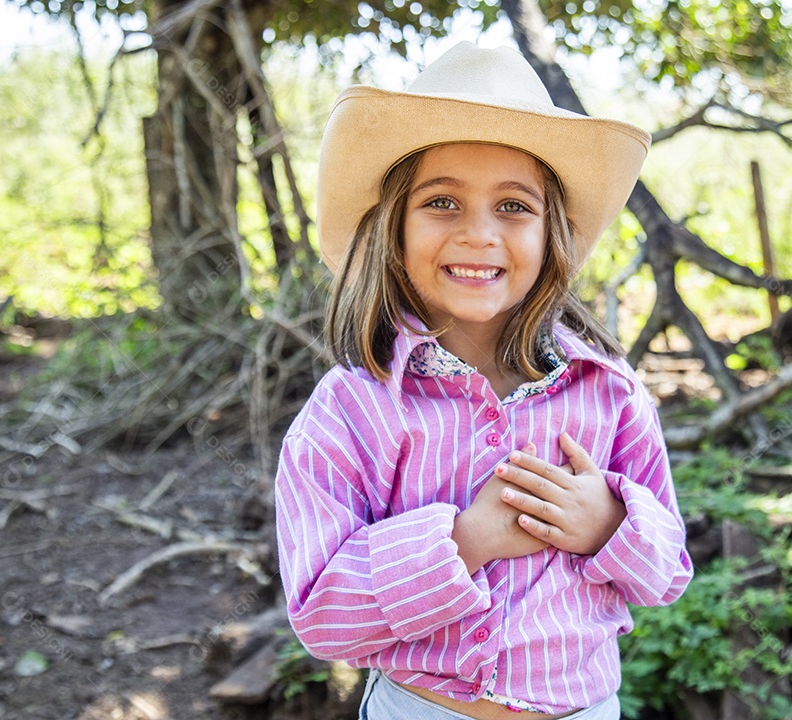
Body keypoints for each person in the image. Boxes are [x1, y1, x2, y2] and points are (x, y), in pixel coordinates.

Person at [275, 41, 693, 720]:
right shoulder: (352, 410)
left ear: (552, 233)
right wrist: (465, 541)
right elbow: (323, 617)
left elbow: (668, 572)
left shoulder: (610, 394)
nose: (479, 233)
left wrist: (609, 522)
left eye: (514, 206)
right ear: (394, 229)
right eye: (442, 202)